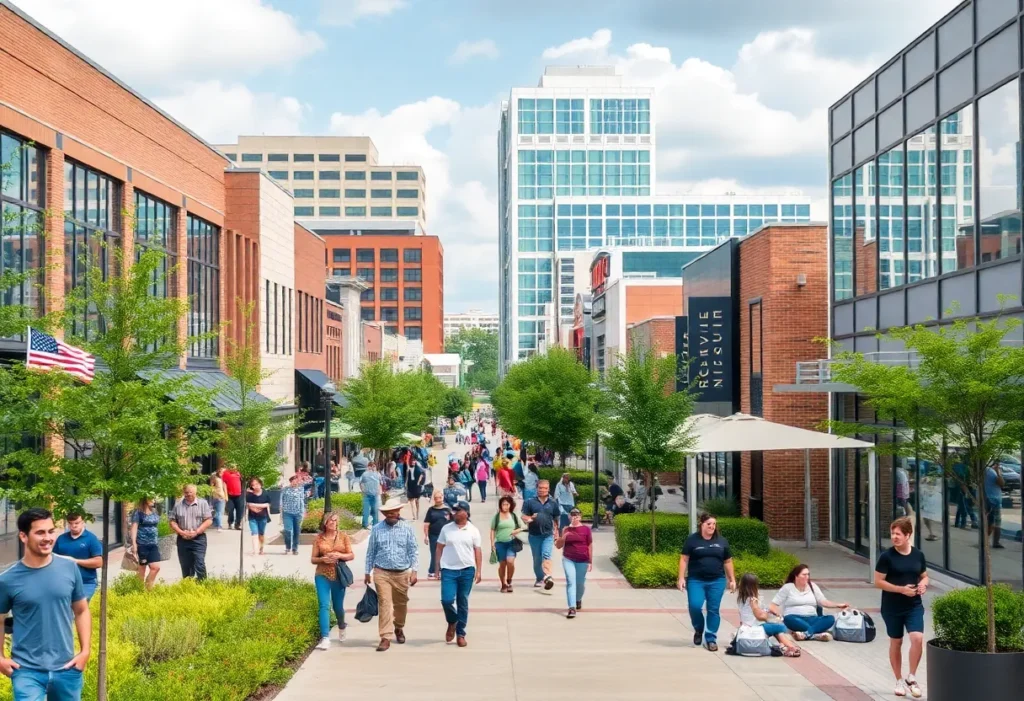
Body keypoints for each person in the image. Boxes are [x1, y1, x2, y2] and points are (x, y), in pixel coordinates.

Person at [0, 508, 91, 700]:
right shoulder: (7, 580)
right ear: (23, 536)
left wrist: (85, 652)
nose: (48, 538)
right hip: (26, 671)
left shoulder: (69, 568)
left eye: (51, 531)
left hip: (67, 668)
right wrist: (0, 658)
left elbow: (81, 610)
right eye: (40, 532)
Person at [875, 517, 928, 698]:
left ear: (908, 535)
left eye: (898, 534)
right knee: (896, 642)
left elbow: (924, 575)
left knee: (917, 638)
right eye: (892, 533)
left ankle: (911, 677)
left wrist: (924, 585)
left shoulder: (917, 555)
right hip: (892, 607)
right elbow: (878, 582)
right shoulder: (886, 557)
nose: (894, 537)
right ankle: (898, 679)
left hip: (914, 605)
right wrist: (900, 590)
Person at [678, 512, 737, 652]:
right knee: (695, 606)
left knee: (713, 609)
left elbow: (728, 561)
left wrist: (732, 579)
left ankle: (711, 638)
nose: (712, 526)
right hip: (696, 580)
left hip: (717, 581)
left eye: (714, 524)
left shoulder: (722, 541)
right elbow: (684, 558)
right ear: (702, 525)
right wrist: (680, 577)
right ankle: (699, 629)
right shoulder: (692, 540)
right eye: (708, 524)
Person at [364, 501, 419, 652]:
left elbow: (413, 550)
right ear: (383, 514)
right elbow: (371, 551)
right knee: (384, 603)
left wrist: (414, 571)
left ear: (399, 511)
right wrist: (367, 571)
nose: (391, 514)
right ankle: (385, 637)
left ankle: (399, 627)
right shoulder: (377, 529)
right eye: (388, 512)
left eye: (393, 512)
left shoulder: (407, 528)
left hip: (402, 572)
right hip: (382, 572)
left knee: (401, 604)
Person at [436, 501, 482, 647]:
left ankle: (461, 634)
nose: (454, 512)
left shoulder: (473, 530)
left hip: (467, 570)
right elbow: (439, 548)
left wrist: (479, 570)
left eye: (458, 510)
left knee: (463, 601)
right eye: (453, 510)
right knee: (447, 600)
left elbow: (477, 550)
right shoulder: (446, 529)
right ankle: (452, 621)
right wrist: (437, 568)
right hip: (448, 570)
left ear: (466, 513)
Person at [770, 564, 849, 641]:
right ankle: (815, 635)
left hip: (812, 618)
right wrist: (778, 614)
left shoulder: (812, 586)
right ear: (796, 576)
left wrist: (838, 605)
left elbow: (823, 601)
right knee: (789, 619)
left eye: (808, 574)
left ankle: (807, 634)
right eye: (804, 575)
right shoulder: (788, 587)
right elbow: (773, 605)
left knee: (830, 619)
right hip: (794, 618)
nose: (806, 577)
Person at [312, 512, 354, 650]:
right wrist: (322, 559)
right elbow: (313, 559)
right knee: (324, 605)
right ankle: (325, 637)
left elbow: (351, 555)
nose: (333, 523)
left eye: (335, 521)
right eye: (330, 521)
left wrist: (340, 555)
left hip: (338, 574)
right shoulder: (319, 538)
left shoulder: (343, 536)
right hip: (322, 574)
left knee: (337, 607)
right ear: (325, 523)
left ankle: (341, 625)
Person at [736, 573, 801, 657]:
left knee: (777, 631)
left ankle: (788, 647)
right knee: (780, 627)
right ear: (753, 586)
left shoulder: (741, 599)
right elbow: (759, 616)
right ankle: (791, 647)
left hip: (747, 627)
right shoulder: (752, 600)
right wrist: (769, 617)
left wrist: (767, 611)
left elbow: (745, 615)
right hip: (755, 627)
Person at [52, 512, 103, 602]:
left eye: (76, 523)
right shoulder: (61, 539)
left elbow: (99, 562)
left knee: (80, 608)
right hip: (64, 582)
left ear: (83, 522)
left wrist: (75, 561)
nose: (74, 526)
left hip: (85, 582)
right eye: (70, 523)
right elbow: (53, 559)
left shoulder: (91, 539)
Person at [521, 480, 560, 590]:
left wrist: (557, 532)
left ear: (548, 489)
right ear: (536, 488)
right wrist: (529, 519)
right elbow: (523, 516)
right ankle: (539, 578)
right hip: (534, 535)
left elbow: (556, 518)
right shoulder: (529, 502)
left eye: (545, 488)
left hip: (548, 535)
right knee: (537, 559)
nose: (542, 490)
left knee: (546, 555)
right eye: (540, 488)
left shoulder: (553, 503)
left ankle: (548, 576)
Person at [169, 484, 213, 580]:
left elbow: (209, 520)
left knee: (199, 563)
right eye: (186, 492)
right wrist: (181, 532)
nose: (188, 494)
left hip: (198, 539)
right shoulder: (178, 504)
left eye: (190, 492)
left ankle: (203, 584)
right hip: (183, 539)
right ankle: (188, 586)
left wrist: (197, 531)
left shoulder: (203, 503)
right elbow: (172, 521)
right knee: (185, 565)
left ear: (195, 492)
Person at [555, 507, 592, 619]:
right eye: (572, 514)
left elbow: (589, 545)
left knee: (580, 584)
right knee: (571, 581)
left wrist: (590, 561)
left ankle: (578, 599)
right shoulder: (566, 529)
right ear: (569, 516)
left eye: (577, 514)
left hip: (582, 559)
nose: (575, 517)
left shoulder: (586, 529)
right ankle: (572, 607)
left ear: (580, 516)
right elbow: (558, 546)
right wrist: (563, 538)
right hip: (568, 558)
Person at [490, 496, 525, 593]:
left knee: (510, 561)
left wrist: (516, 531)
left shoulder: (513, 516)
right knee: (502, 564)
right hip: (500, 543)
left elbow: (523, 527)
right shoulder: (497, 517)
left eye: (507, 504)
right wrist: (492, 543)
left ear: (510, 505)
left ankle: (509, 580)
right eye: (503, 504)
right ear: (500, 505)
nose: (505, 506)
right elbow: (492, 530)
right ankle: (503, 584)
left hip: (511, 543)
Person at [129, 497, 163, 591]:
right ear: (145, 500)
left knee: (155, 567)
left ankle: (148, 588)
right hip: (142, 544)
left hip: (153, 544)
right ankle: (138, 591)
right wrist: (134, 544)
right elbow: (134, 528)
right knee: (141, 570)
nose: (154, 501)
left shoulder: (155, 511)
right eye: (152, 499)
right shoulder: (138, 513)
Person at [423, 491, 452, 580]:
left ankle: (443, 570)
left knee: (445, 553)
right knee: (434, 553)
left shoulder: (447, 509)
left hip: (446, 536)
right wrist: (426, 536)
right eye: (436, 498)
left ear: (442, 497)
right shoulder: (431, 510)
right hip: (434, 535)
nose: (438, 500)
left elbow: (452, 522)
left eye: (439, 497)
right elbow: (426, 524)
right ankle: (432, 571)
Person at [280, 474, 306, 556]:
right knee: (288, 530)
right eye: (293, 481)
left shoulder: (301, 489)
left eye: (297, 481)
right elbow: (281, 500)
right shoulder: (285, 489)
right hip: (287, 513)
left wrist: (303, 512)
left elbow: (302, 501)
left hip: (298, 513)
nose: (295, 483)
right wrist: (281, 510)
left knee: (296, 531)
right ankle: (288, 547)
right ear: (290, 481)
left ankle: (295, 548)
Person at [246, 477, 272, 556]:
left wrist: (255, 505)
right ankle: (255, 551)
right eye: (253, 485)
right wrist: (253, 508)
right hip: (252, 517)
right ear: (251, 486)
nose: (256, 486)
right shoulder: (249, 495)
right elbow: (248, 504)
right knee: (254, 533)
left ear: (260, 484)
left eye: (257, 484)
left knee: (261, 534)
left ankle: (261, 549)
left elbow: (268, 504)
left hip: (262, 517)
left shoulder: (265, 493)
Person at [984, 462, 1005, 548]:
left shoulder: (984, 471)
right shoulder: (991, 471)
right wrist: (998, 472)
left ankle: (986, 541)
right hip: (993, 500)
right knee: (995, 523)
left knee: (990, 522)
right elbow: (1001, 483)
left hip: (988, 499)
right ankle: (994, 542)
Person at [359, 461, 383, 530]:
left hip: (371, 495)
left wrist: (363, 490)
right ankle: (369, 524)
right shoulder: (367, 474)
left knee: (371, 510)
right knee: (370, 510)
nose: (373, 468)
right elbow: (360, 483)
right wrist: (363, 490)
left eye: (374, 466)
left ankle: (370, 525)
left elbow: (380, 483)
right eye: (372, 466)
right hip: (370, 495)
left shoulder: (376, 474)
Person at [223, 464, 244, 530]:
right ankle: (230, 523)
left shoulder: (239, 473)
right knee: (230, 510)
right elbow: (224, 484)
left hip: (239, 495)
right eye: (231, 466)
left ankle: (237, 524)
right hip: (230, 496)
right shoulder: (226, 473)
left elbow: (243, 482)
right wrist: (226, 495)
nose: (233, 468)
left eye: (234, 466)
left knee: (240, 511)